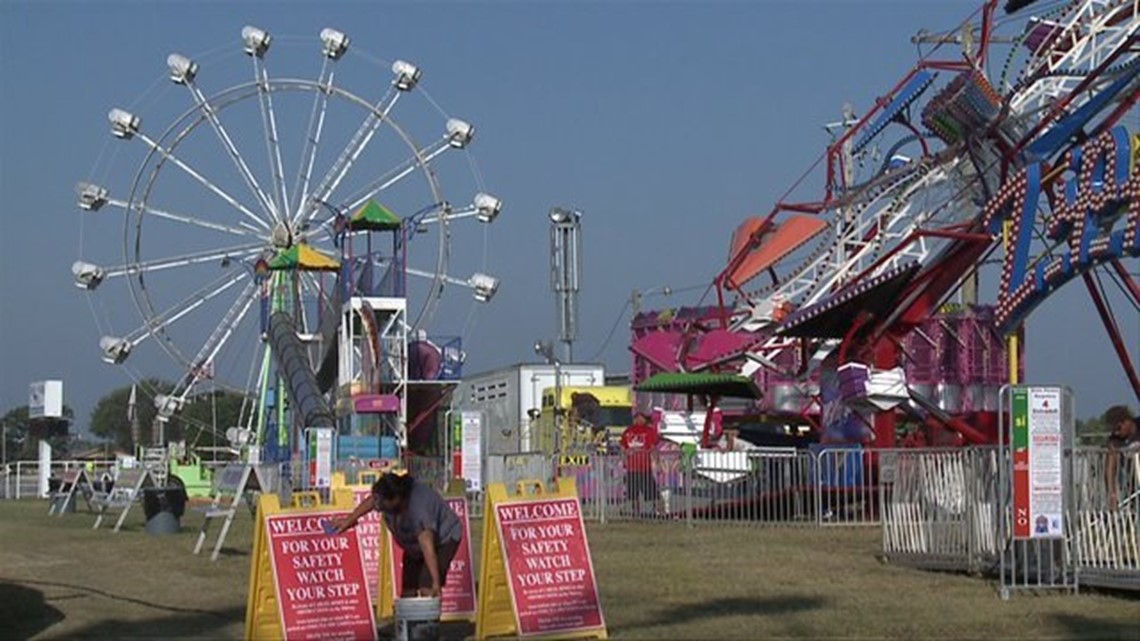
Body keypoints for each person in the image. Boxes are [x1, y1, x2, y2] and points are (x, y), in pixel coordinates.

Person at [335, 472, 462, 597]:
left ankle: (428, 616)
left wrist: (436, 583)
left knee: (426, 586)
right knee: (408, 589)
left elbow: (427, 547)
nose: (378, 506)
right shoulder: (387, 495)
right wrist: (348, 521)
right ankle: (408, 617)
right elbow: (371, 502)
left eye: (382, 503)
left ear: (396, 499)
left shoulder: (418, 509)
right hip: (414, 545)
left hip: (444, 539)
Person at [621, 413, 660, 515]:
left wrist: (657, 462)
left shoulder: (648, 431)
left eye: (640, 418)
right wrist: (624, 460)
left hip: (644, 468)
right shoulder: (628, 431)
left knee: (651, 492)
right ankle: (637, 512)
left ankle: (659, 512)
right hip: (633, 468)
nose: (638, 420)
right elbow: (623, 448)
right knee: (634, 493)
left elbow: (653, 448)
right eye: (636, 418)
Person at [1103, 405, 1139, 508]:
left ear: (1127, 421)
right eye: (1114, 430)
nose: (1116, 433)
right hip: (1133, 486)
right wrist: (1112, 494)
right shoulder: (1115, 440)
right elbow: (1110, 468)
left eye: (1118, 428)